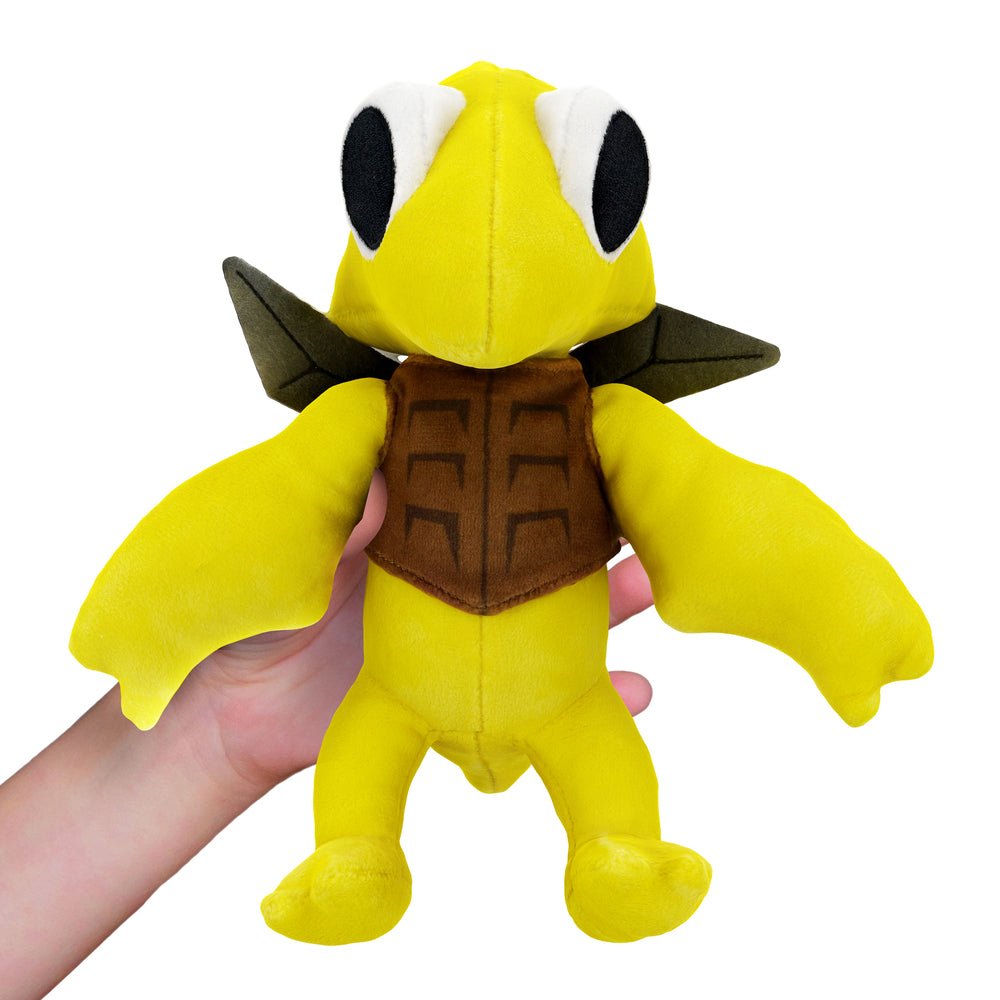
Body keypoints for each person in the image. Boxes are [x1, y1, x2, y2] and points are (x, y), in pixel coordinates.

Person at [0, 473, 655, 997]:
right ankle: (357, 863)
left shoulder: (600, 421)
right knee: (391, 734)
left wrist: (221, 716)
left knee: (583, 729)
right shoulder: (377, 406)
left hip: (528, 676)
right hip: (393, 684)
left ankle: (621, 857)